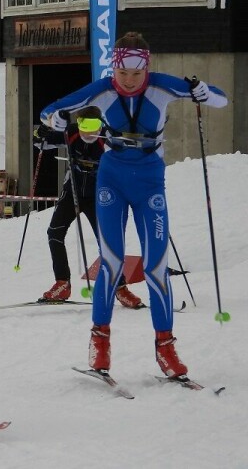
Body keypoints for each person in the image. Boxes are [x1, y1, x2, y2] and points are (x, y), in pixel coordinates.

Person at [40, 32, 228, 379]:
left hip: (149, 183)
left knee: (157, 266)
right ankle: (100, 343)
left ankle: (166, 348)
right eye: (122, 74)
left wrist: (204, 92)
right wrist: (53, 120)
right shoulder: (102, 89)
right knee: (111, 263)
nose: (128, 81)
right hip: (111, 180)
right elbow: (50, 110)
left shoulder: (162, 86)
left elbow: (220, 99)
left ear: (147, 68)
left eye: (136, 74)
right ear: (115, 68)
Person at [34, 107, 141, 309]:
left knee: (108, 241)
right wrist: (40, 134)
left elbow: (130, 157)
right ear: (79, 123)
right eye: (85, 125)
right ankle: (62, 283)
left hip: (99, 195)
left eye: (94, 126)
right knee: (54, 233)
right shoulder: (71, 132)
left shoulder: (108, 138)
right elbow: (41, 143)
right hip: (72, 191)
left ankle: (120, 288)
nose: (89, 131)